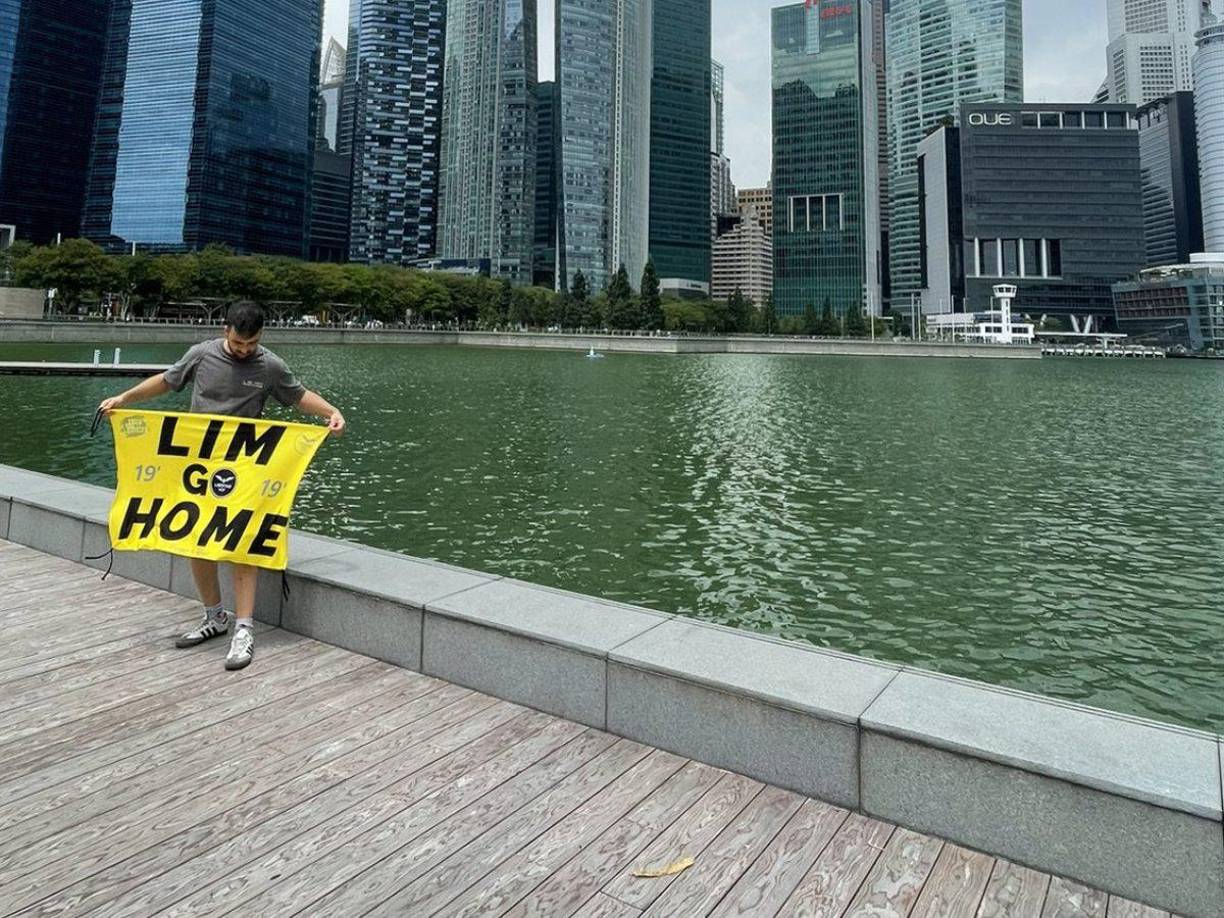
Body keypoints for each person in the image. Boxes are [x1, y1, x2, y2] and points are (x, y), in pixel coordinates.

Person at [98, 301, 346, 671]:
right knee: (197, 539)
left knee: (242, 542)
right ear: (224, 330)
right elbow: (167, 381)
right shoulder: (202, 355)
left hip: (245, 467)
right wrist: (124, 399)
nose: (245, 350)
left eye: (252, 344)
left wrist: (331, 412)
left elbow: (298, 396)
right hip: (199, 464)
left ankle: (244, 628)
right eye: (238, 344)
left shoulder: (270, 365)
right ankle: (215, 617)